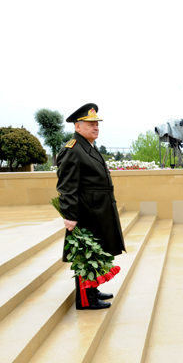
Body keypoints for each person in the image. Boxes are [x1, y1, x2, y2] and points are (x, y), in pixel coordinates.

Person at [56, 103, 125, 310]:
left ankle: (92, 290)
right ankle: (85, 300)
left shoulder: (88, 147)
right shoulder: (73, 150)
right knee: (85, 255)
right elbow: (66, 186)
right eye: (90, 124)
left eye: (97, 123)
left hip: (98, 211)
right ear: (77, 127)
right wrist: (69, 215)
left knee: (96, 252)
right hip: (85, 212)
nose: (96, 127)